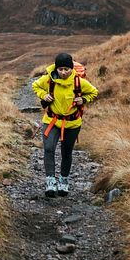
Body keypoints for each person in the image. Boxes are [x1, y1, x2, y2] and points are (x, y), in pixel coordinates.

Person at [32, 53, 99, 198]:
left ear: (71, 69)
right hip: (51, 121)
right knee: (49, 149)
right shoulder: (49, 79)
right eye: (60, 69)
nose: (63, 72)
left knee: (66, 152)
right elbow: (35, 85)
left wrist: (84, 99)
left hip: (72, 123)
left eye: (66, 69)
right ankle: (50, 181)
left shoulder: (78, 82)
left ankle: (63, 180)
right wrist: (43, 95)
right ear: (56, 68)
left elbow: (94, 92)